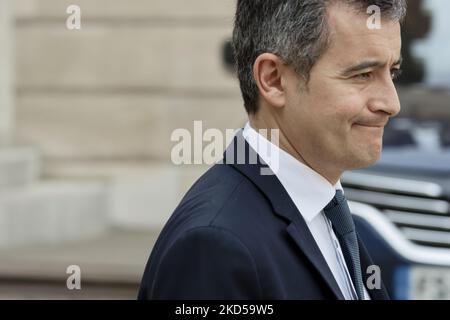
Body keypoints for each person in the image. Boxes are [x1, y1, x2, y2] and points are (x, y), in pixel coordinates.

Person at [138, 0, 406, 300]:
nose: (391, 104)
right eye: (363, 75)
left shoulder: (327, 211)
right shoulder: (215, 246)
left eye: (392, 72)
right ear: (273, 80)